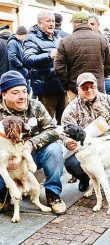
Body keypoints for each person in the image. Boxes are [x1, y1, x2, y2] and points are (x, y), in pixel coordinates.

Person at [0, 70, 66, 214]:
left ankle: (53, 194)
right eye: (15, 92)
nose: (22, 96)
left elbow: (52, 130)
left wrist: (31, 144)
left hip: (32, 156)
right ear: (4, 94)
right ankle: (3, 195)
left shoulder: (35, 106)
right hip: (4, 160)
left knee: (54, 150)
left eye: (24, 91)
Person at [61, 72, 110, 193]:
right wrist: (68, 142)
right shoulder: (71, 109)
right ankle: (85, 179)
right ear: (78, 89)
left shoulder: (109, 101)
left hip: (108, 146)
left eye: (92, 87)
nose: (89, 90)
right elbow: (64, 134)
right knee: (71, 162)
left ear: (97, 86)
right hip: (86, 150)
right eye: (84, 88)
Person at [55, 12, 110, 102]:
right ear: (87, 22)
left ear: (74, 23)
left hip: (76, 88)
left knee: (76, 114)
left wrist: (67, 84)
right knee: (99, 115)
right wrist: (100, 77)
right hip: (97, 87)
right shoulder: (102, 40)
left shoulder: (65, 41)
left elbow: (59, 68)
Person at [23, 11, 66, 124]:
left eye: (53, 21)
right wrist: (49, 55)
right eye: (48, 21)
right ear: (39, 23)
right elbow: (28, 59)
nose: (51, 24)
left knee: (64, 121)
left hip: (62, 86)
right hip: (46, 87)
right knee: (45, 123)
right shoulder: (31, 38)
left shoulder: (58, 36)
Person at [87, 14, 110, 97]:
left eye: (92, 24)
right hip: (87, 81)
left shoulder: (107, 40)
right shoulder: (82, 40)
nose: (90, 26)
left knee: (108, 106)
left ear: (98, 25)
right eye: (87, 24)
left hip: (106, 79)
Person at [7, 26, 31, 94]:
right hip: (17, 72)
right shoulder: (12, 42)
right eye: (25, 36)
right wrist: (21, 65)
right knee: (23, 92)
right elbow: (12, 57)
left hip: (22, 72)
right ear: (23, 34)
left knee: (27, 91)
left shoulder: (18, 42)